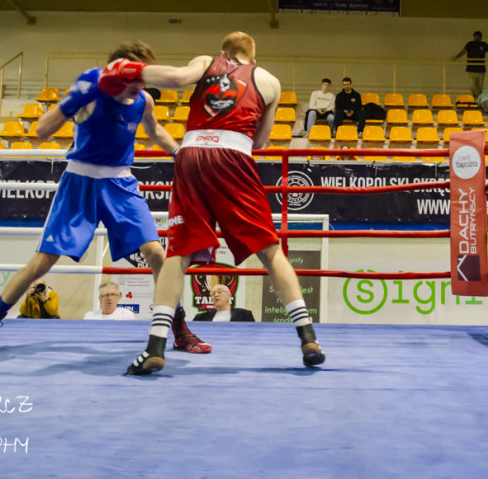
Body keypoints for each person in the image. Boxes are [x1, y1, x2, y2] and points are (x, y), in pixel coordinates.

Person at [0, 41, 209, 356]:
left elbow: (155, 130)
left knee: (157, 254)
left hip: (121, 182)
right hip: (80, 181)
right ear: (115, 75)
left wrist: (178, 152)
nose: (139, 86)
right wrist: (71, 102)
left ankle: (179, 329)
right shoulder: (90, 94)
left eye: (142, 80)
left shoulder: (143, 100)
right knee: (42, 263)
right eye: (133, 79)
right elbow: (41, 130)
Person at [99, 31, 325, 374]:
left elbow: (175, 80)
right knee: (269, 250)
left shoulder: (205, 62)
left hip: (192, 155)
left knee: (179, 253)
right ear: (254, 55)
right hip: (235, 156)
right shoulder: (269, 81)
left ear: (224, 51)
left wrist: (122, 71)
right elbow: (261, 140)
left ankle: (156, 346)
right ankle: (308, 338)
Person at [453, 31, 488, 97]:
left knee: (480, 88)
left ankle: (478, 101)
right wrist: (457, 57)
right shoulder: (470, 44)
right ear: (474, 37)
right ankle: (478, 98)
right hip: (472, 69)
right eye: (476, 36)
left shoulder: (484, 44)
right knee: (472, 86)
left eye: (479, 36)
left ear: (481, 37)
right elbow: (463, 51)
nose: (477, 38)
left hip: (481, 69)